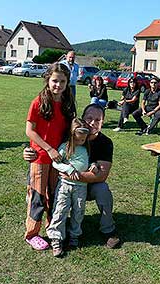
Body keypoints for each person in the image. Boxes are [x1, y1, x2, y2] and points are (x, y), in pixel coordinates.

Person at [23, 103, 120, 249]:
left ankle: (108, 230)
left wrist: (73, 175)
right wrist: (29, 151)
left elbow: (101, 176)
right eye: (89, 118)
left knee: (103, 189)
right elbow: (48, 146)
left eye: (98, 120)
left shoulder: (105, 143)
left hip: (86, 186)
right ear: (82, 119)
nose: (93, 123)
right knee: (51, 191)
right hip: (63, 185)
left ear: (103, 122)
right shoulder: (69, 136)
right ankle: (55, 228)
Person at [24, 62, 76, 251]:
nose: (58, 85)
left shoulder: (67, 102)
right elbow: (30, 131)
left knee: (55, 195)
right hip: (40, 158)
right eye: (55, 81)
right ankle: (32, 234)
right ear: (48, 80)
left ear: (67, 82)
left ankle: (53, 228)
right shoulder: (38, 101)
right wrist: (48, 149)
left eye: (62, 81)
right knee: (37, 196)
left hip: (59, 159)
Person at [47, 117, 93, 257]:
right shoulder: (65, 147)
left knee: (78, 211)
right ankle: (56, 238)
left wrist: (93, 166)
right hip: (65, 185)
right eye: (78, 139)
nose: (81, 142)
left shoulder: (86, 149)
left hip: (81, 187)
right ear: (72, 135)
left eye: (83, 140)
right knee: (60, 210)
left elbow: (86, 162)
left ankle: (74, 234)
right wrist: (68, 169)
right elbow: (55, 163)